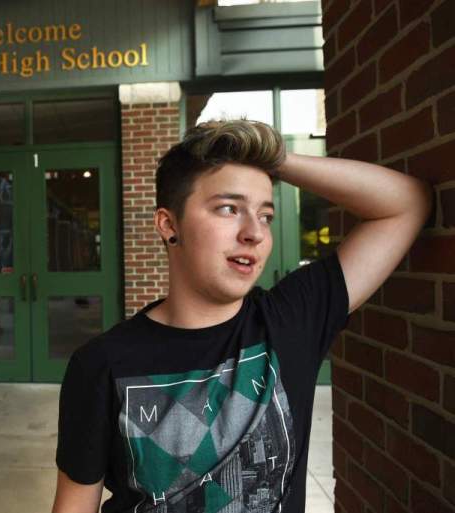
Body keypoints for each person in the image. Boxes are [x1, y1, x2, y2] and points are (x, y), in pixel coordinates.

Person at [50, 118, 433, 513]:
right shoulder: (101, 364)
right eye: (229, 208)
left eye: (265, 215)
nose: (254, 232)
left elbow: (406, 204)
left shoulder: (291, 319)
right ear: (169, 225)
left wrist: (277, 159)